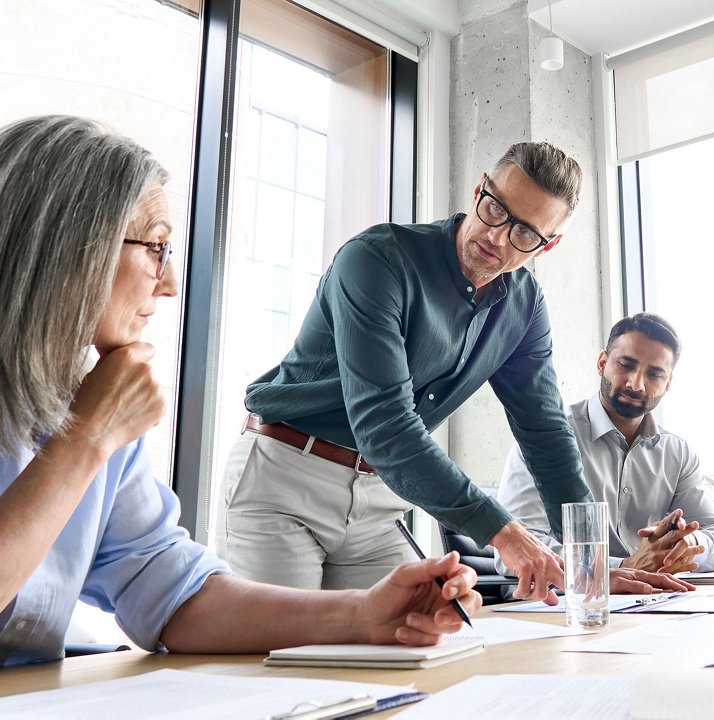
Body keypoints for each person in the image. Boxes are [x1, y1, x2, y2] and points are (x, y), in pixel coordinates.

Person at [0, 115, 481, 667]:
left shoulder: (94, 405)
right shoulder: (99, 419)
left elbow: (170, 591)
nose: (172, 281)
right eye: (156, 247)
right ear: (69, 249)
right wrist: (87, 439)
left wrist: (362, 615)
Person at [220, 141, 681, 602]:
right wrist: (503, 532)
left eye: (525, 234)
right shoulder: (377, 260)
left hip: (378, 500)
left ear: (549, 244)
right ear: (480, 188)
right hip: (285, 480)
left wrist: (590, 565)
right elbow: (386, 426)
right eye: (495, 209)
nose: (497, 237)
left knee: (417, 650)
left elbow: (545, 434)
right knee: (282, 661)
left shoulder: (524, 305)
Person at [498, 313, 714, 576]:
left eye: (654, 374)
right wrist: (622, 568)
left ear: (667, 384)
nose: (636, 384)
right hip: (565, 604)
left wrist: (688, 544)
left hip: (650, 603)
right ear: (602, 362)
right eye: (625, 365)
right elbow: (516, 548)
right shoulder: (545, 436)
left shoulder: (677, 453)